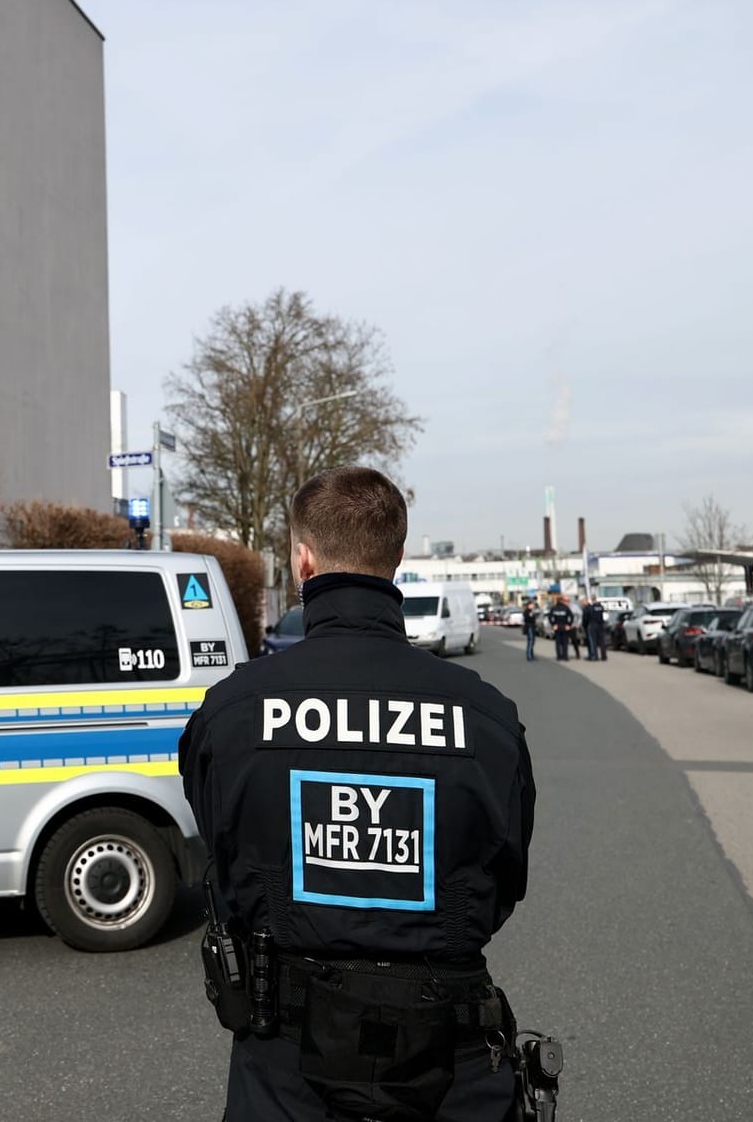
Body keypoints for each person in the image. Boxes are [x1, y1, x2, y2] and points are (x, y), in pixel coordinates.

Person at [179, 467, 537, 1122]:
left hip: (284, 1071)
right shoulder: (485, 719)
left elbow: (221, 857)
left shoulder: (232, 712)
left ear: (304, 558)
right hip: (450, 1066)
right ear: (397, 558)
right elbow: (505, 878)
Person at [547, 597, 573, 661]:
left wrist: (553, 624)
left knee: (558, 643)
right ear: (561, 601)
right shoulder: (566, 608)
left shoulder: (554, 608)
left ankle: (559, 656)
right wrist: (569, 625)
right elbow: (571, 617)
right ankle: (565, 656)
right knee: (565, 643)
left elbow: (550, 617)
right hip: (564, 626)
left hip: (557, 627)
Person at [521, 597, 538, 662]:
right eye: (532, 605)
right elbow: (528, 619)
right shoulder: (527, 611)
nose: (533, 606)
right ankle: (529, 656)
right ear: (529, 605)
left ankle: (531, 655)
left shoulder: (531, 611)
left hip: (532, 627)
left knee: (532, 641)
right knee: (530, 641)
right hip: (529, 627)